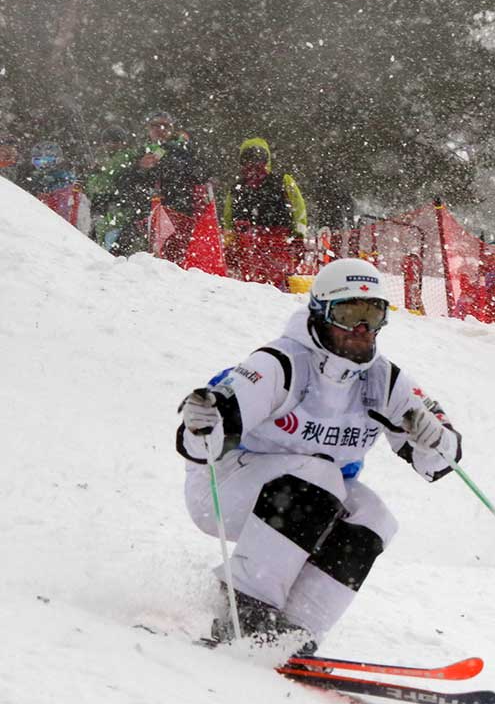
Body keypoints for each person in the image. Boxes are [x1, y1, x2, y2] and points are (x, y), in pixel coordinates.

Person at [175, 257, 464, 653]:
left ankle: (296, 630)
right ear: (321, 313)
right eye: (349, 314)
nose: (362, 329)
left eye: (373, 315)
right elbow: (202, 445)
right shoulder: (281, 364)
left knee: (374, 516)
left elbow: (436, 467)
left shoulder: (384, 380)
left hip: (305, 502)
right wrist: (201, 424)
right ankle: (244, 609)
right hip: (224, 491)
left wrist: (436, 441)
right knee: (322, 476)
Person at [116, 109, 209, 262]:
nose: (161, 130)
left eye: (165, 126)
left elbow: (198, 173)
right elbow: (123, 183)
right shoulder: (140, 152)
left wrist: (166, 163)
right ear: (148, 128)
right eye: (156, 125)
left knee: (171, 264)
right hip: (145, 215)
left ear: (172, 129)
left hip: (177, 216)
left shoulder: (184, 148)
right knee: (121, 255)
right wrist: (140, 168)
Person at [223, 137, 308, 290]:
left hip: (275, 242)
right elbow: (228, 216)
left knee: (270, 278)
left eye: (258, 158)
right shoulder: (238, 187)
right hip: (253, 243)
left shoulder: (282, 181)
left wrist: (299, 234)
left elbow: (299, 208)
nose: (253, 163)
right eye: (249, 158)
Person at [84, 126, 139, 253]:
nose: (110, 145)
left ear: (122, 143)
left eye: (115, 141)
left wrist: (99, 170)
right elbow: (92, 186)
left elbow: (111, 172)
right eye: (107, 141)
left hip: (117, 203)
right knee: (99, 232)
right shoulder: (102, 158)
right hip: (101, 203)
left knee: (111, 232)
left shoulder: (126, 155)